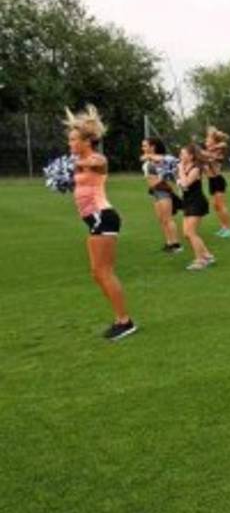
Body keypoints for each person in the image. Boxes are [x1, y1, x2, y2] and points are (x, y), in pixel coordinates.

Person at [65, 105, 136, 340]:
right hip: (94, 219)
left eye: (74, 140)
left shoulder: (97, 158)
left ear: (87, 141)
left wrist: (76, 165)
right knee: (97, 273)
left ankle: (125, 321)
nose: (71, 144)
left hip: (102, 216)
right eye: (70, 140)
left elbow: (96, 165)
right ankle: (121, 319)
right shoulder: (78, 160)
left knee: (104, 271)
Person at [178, 143, 216, 271]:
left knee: (191, 232)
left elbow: (185, 183)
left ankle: (200, 261)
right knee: (186, 233)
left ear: (191, 156)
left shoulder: (195, 169)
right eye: (181, 154)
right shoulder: (184, 166)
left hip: (197, 202)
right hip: (188, 202)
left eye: (183, 154)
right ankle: (207, 255)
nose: (180, 156)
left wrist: (180, 170)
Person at [140, 136, 181, 253]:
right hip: (155, 192)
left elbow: (173, 162)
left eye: (145, 146)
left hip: (164, 191)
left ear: (153, 147)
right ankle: (169, 243)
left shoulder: (164, 158)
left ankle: (176, 244)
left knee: (168, 219)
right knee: (161, 219)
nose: (142, 148)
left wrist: (150, 156)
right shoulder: (149, 160)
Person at [204, 126, 230, 238]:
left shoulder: (218, 151)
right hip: (211, 181)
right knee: (216, 206)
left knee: (221, 205)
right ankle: (223, 227)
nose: (206, 142)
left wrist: (212, 147)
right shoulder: (209, 151)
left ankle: (229, 229)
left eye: (208, 140)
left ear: (213, 141)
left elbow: (224, 143)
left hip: (218, 180)